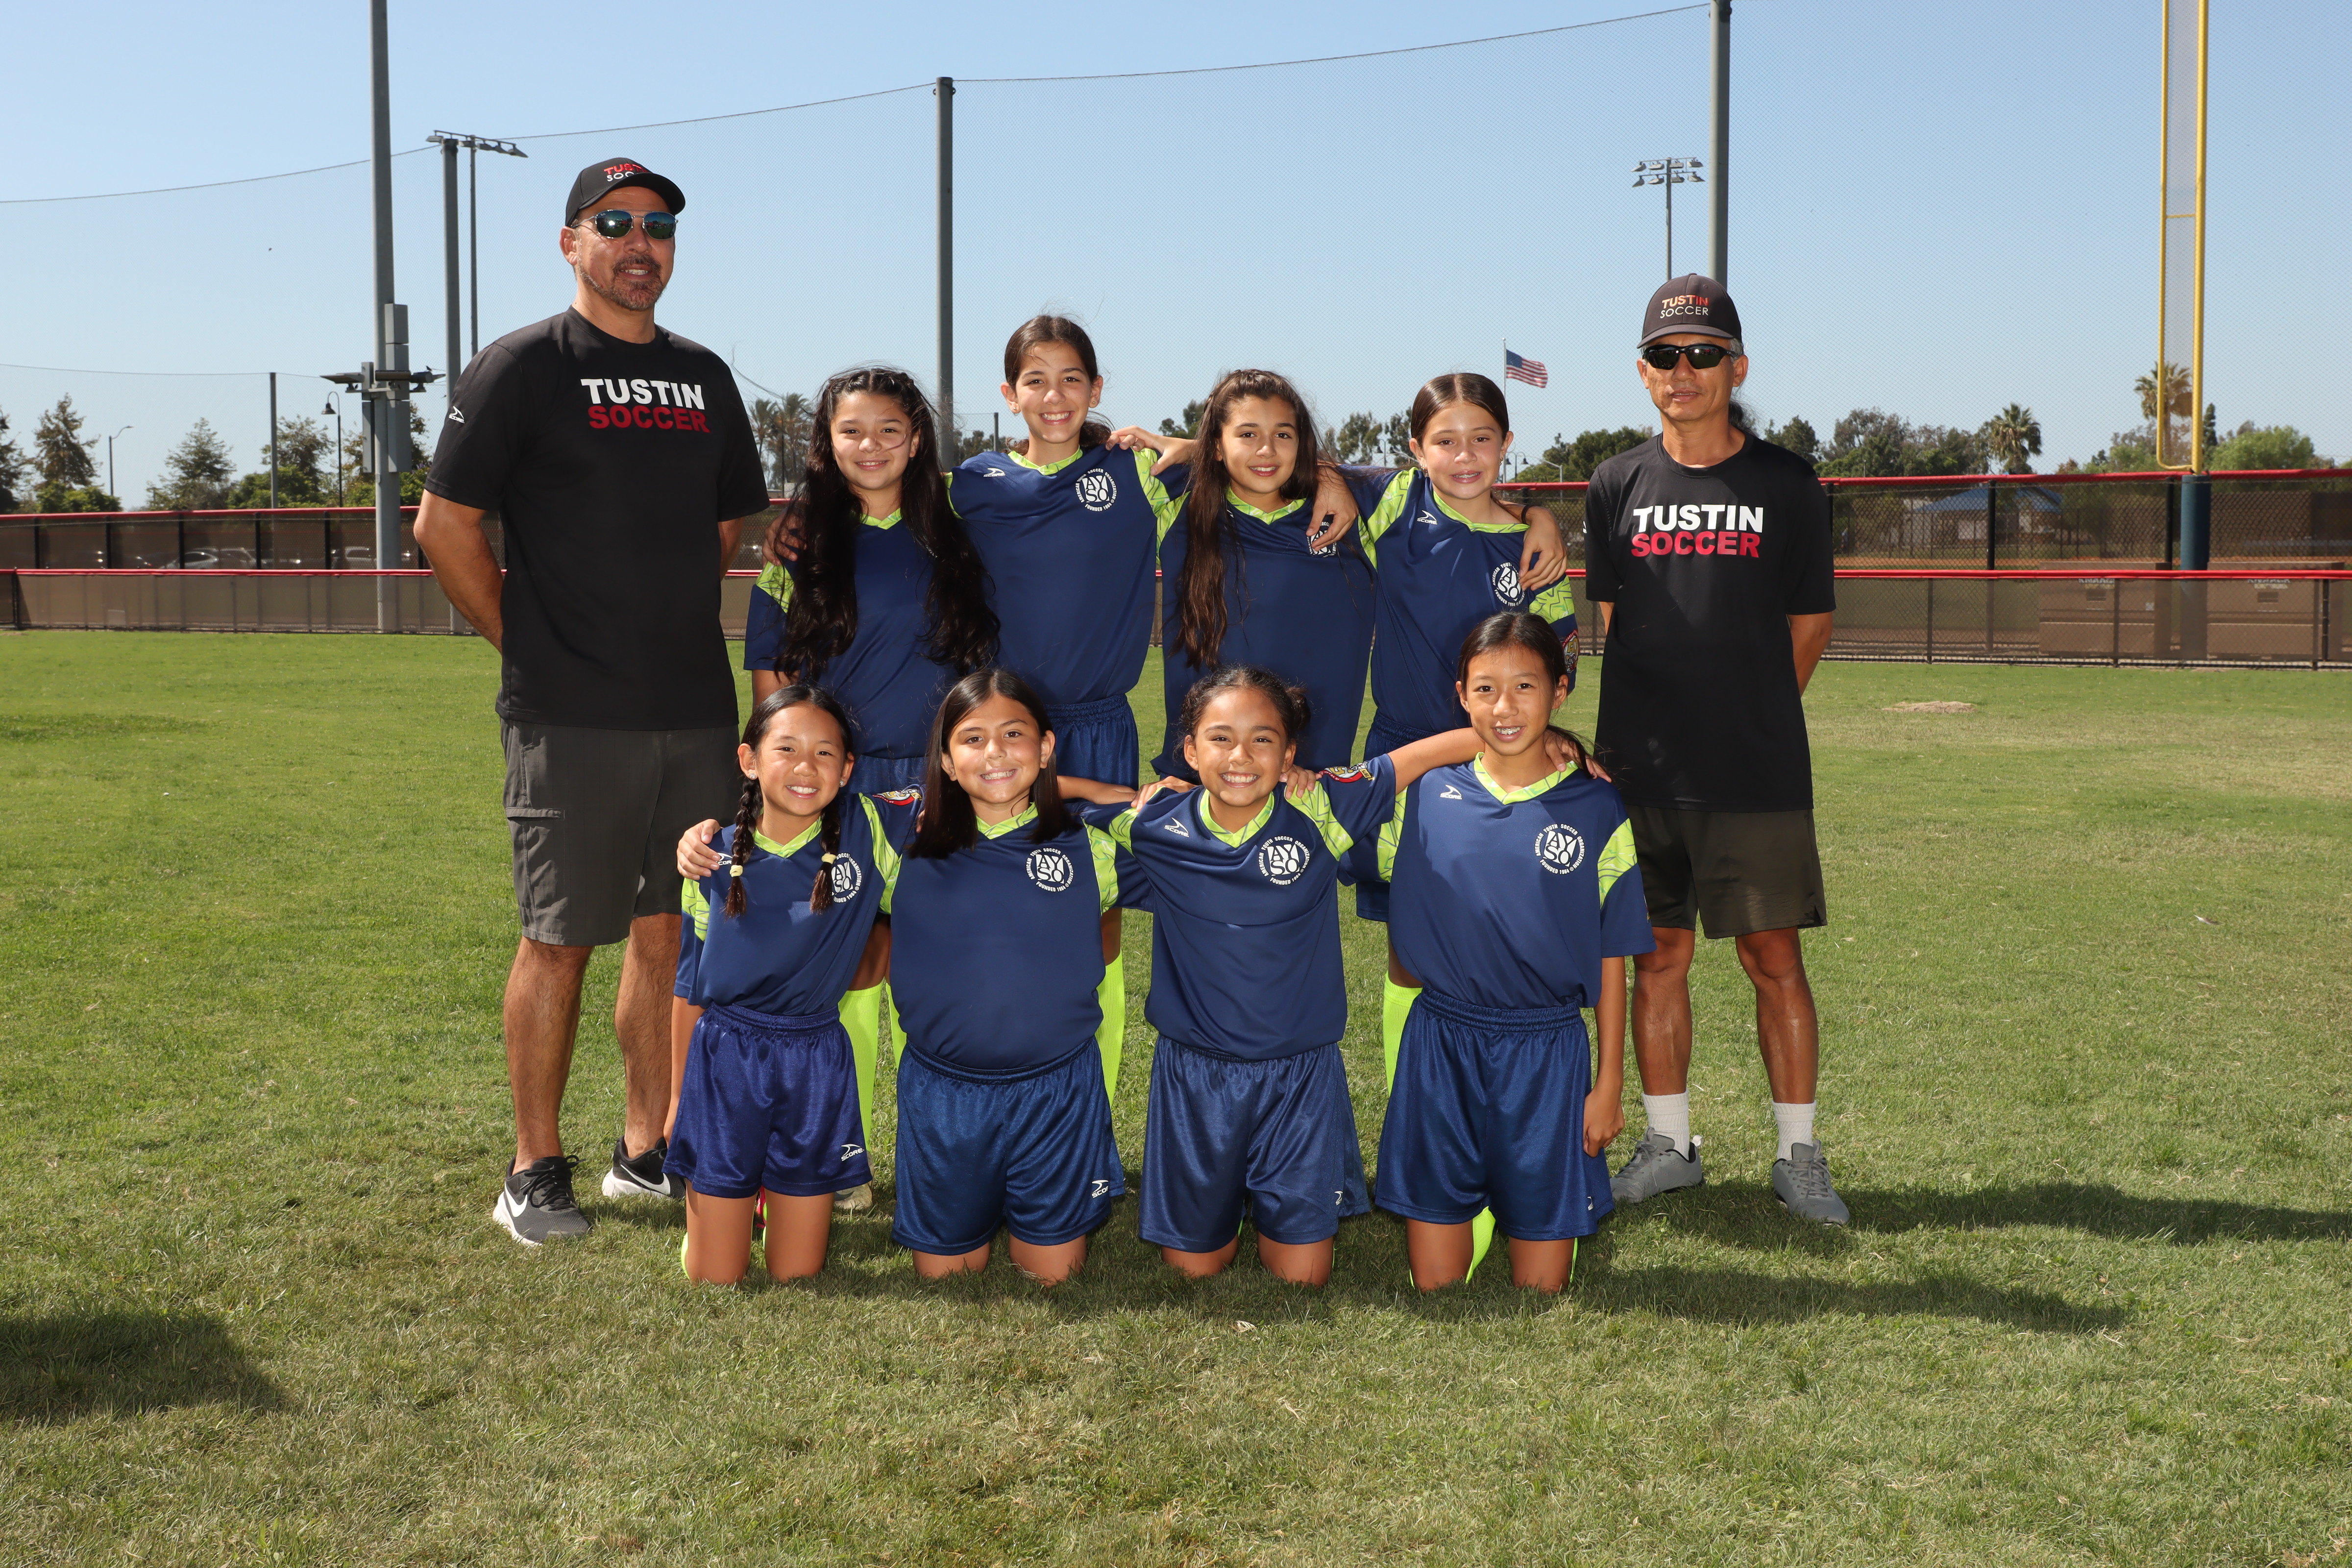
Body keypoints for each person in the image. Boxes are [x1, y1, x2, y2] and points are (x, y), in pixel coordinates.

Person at [415, 157, 770, 1245]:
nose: (638, 244)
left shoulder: (704, 376)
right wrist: (534, 645)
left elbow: (724, 530)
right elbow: (443, 525)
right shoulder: (523, 366)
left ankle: (644, 1147)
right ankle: (533, 1168)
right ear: (571, 242)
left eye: (657, 226)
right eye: (613, 224)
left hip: (693, 711)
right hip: (569, 719)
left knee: (667, 933)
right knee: (559, 938)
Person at [1071, 667, 1546, 1286]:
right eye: (1220, 738)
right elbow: (1035, 789)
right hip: (1195, 1076)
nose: (1240, 756)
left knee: (1303, 1275)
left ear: (1290, 753)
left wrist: (1544, 740)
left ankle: (1277, 1202)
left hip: (1300, 1075)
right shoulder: (1156, 823)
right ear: (1189, 750)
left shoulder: (1319, 808)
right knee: (1192, 1270)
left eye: (1263, 740)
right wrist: (1131, 790)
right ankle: (1216, 1209)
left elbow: (1428, 752)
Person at [1582, 274, 1846, 1225]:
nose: (1683, 370)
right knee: (1656, 956)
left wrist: (1747, 711)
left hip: (1753, 771)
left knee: (1774, 957)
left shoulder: (1787, 483)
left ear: (1738, 367)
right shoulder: (1616, 483)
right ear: (1643, 371)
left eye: (1703, 353)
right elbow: (1615, 622)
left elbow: (1810, 625)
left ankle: (1799, 1154)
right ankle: (1670, 1144)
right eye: (1665, 354)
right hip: (1639, 772)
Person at [738, 366, 997, 1211]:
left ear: (916, 441)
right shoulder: (797, 547)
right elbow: (771, 678)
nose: (872, 446)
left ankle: (951, 1154)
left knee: (939, 973)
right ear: (828, 441)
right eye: (852, 430)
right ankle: (834, 1155)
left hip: (932, 790)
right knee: (841, 975)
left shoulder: (956, 536)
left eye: (890, 429)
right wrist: (791, 783)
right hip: (839, 791)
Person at [1375, 613, 1651, 1292]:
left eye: (1525, 687)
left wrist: (1609, 1083)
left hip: (1548, 1051)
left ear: (1560, 691)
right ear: (1461, 697)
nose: (1506, 707)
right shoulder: (1424, 797)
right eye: (1486, 689)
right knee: (1435, 1284)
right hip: (1442, 1042)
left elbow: (1613, 955)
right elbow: (1319, 800)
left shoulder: (1598, 807)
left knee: (1542, 1287)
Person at [1329, 373, 1576, 1092]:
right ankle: (1415, 1113)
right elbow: (1278, 457)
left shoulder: (1532, 550)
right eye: (1445, 441)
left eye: (1482, 438)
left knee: (1494, 946)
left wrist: (1539, 516)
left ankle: (1497, 1105)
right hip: (1406, 762)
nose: (1464, 455)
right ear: (1415, 449)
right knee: (1410, 954)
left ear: (1507, 443)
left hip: (1502, 769)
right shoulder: (1396, 503)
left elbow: (1561, 667)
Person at [880, 668, 1131, 1285]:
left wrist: (1141, 796)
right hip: (944, 1094)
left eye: (1014, 734)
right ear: (945, 760)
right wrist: (708, 838)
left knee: (1055, 1276)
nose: (994, 752)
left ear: (1046, 747)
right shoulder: (897, 839)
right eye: (973, 739)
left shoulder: (1092, 844)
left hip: (1056, 1091)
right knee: (945, 1277)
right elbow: (798, 809)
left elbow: (1210, 829)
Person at [668, 686, 919, 1283]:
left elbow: (982, 780)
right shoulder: (709, 854)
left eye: (825, 752)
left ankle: (770, 1196)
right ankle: (723, 1210)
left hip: (815, 1059)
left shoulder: (871, 828)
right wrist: (678, 1099)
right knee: (715, 1276)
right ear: (749, 759)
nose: (806, 766)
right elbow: (689, 985)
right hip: (727, 1059)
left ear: (848, 769)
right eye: (786, 748)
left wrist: (1119, 797)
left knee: (797, 1272)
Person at [1148, 371, 1376, 780]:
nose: (1267, 450)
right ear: (1216, 445)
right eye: (1248, 434)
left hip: (1310, 784)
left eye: (1283, 435)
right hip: (1200, 783)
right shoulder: (1176, 504)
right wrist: (1193, 451)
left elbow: (1442, 481)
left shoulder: (1353, 516)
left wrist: (1330, 473)